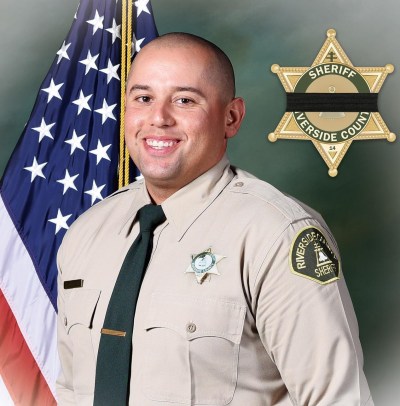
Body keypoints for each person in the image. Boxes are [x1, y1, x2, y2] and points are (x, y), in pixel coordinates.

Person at [56, 32, 373, 405]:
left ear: (231, 117)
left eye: (185, 100)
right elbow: (70, 390)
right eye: (143, 98)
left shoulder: (276, 233)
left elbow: (336, 399)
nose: (158, 118)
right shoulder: (86, 233)